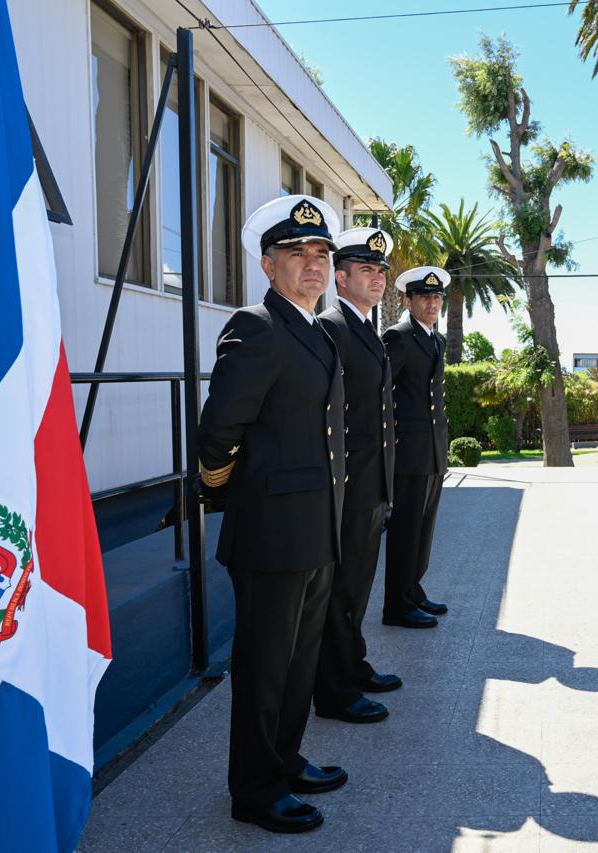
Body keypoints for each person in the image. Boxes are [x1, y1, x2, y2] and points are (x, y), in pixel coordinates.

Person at [199, 195, 349, 833]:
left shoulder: (314, 328)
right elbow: (219, 429)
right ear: (268, 264)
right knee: (264, 668)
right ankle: (256, 791)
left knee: (299, 661)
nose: (313, 265)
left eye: (321, 254)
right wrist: (227, 491)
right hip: (271, 530)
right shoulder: (257, 325)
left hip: (315, 526)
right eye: (296, 253)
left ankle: (285, 760)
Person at [312, 227, 402, 726]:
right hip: (346, 488)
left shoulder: (364, 327)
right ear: (340, 278)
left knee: (357, 588)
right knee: (340, 592)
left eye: (380, 270)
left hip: (370, 484)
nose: (377, 278)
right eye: (366, 270)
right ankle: (335, 691)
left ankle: (352, 663)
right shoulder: (333, 328)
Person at [382, 267, 451, 629]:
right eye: (424, 296)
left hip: (433, 451)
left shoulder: (436, 340)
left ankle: (413, 590)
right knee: (405, 532)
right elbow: (380, 394)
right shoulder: (399, 337)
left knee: (424, 529)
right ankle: (396, 606)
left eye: (437, 297)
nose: (432, 303)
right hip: (408, 452)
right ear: (408, 301)